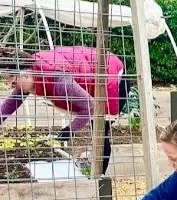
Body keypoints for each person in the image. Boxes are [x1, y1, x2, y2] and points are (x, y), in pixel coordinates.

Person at [0, 46, 130, 174]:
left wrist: (70, 130)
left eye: (13, 83)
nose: (13, 88)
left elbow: (91, 106)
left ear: (26, 74)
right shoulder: (34, 72)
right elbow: (9, 106)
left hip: (111, 76)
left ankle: (99, 180)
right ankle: (92, 166)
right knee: (95, 128)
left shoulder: (60, 81)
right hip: (93, 75)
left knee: (101, 130)